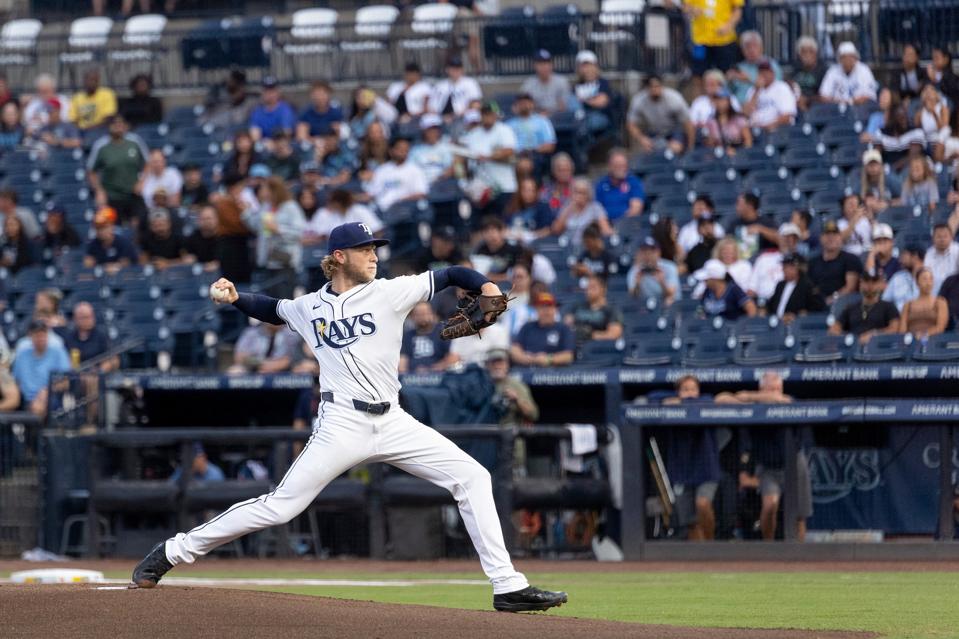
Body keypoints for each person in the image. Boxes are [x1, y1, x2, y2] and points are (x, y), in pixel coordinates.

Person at [132, 222, 567, 612]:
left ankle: (507, 586)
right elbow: (274, 308)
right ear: (339, 257)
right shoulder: (309, 307)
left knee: (473, 477)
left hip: (394, 421)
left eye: (375, 248)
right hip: (341, 424)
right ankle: (174, 551)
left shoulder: (390, 291)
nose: (375, 255)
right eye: (365, 249)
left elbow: (451, 275)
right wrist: (235, 298)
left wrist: (487, 285)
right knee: (281, 507)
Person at [716, 372, 813, 542]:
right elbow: (720, 400)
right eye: (771, 388)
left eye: (778, 388)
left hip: (793, 463)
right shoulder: (753, 405)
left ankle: (800, 554)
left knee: (799, 515)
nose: (775, 392)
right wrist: (752, 397)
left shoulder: (789, 401)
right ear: (762, 389)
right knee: (769, 505)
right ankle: (769, 548)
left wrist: (761, 397)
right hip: (768, 466)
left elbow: (785, 400)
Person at [660, 375, 721, 540]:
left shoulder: (705, 402)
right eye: (685, 389)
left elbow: (709, 400)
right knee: (689, 521)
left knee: (703, 503)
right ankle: (699, 557)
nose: (690, 393)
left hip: (706, 469)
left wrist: (682, 402)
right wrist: (674, 402)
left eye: (693, 389)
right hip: (681, 471)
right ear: (677, 392)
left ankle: (710, 546)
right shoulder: (671, 407)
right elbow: (652, 398)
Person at [243, 176, 306, 298]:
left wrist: (278, 229)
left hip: (284, 262)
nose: (262, 192)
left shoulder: (291, 207)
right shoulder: (266, 206)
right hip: (267, 261)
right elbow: (257, 226)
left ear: (274, 190)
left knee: (283, 300)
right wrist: (246, 213)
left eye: (264, 189)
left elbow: (298, 233)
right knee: (270, 302)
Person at [87, 115, 149, 225]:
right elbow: (91, 171)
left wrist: (142, 182)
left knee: (141, 224)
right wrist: (99, 191)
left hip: (133, 194)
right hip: (111, 195)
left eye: (121, 123)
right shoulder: (101, 146)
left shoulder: (135, 141)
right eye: (115, 124)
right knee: (113, 227)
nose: (118, 126)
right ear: (109, 127)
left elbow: (147, 163)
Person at [459, 102, 518, 217]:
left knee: (500, 222)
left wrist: (488, 157)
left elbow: (509, 151)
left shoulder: (504, 130)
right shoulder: (474, 134)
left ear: (496, 115)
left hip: (503, 186)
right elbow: (465, 155)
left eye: (490, 114)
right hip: (481, 188)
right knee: (483, 224)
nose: (487, 117)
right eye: (485, 114)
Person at [13, 320, 71, 417]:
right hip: (25, 399)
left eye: (43, 334)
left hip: (50, 397)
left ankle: (35, 431)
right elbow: (16, 380)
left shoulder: (58, 352)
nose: (40, 338)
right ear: (30, 336)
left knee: (39, 407)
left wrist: (47, 390)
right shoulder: (22, 354)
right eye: (37, 335)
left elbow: (66, 382)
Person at [670, 0, 742, 77]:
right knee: (698, 73)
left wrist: (729, 25)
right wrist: (692, 9)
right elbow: (685, 6)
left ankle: (724, 89)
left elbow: (738, 9)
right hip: (700, 39)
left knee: (726, 72)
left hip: (724, 39)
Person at [627, 74, 694, 154]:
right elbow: (631, 124)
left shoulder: (674, 98)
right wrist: (642, 139)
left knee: (675, 148)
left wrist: (690, 147)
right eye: (652, 86)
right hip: (653, 131)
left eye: (657, 86)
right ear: (646, 88)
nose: (655, 89)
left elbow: (688, 123)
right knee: (646, 150)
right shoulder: (639, 100)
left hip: (673, 130)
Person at [829, 270, 900, 342]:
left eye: (874, 281)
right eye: (866, 281)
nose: (870, 285)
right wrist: (849, 338)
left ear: (880, 284)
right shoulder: (851, 308)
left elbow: (895, 328)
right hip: (853, 348)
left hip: (878, 348)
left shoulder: (888, 307)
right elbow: (834, 329)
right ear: (860, 283)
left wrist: (874, 334)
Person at [210, 173, 254, 285]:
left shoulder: (241, 202)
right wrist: (247, 217)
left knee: (244, 279)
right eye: (240, 186)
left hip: (241, 243)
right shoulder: (223, 203)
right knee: (231, 280)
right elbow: (236, 225)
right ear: (232, 187)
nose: (242, 189)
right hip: (229, 244)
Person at [511, 292, 575, 368]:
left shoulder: (564, 329)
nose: (546, 311)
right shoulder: (527, 327)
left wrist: (548, 359)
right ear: (536, 309)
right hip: (528, 369)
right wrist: (529, 359)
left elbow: (568, 356)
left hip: (555, 373)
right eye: (542, 307)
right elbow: (514, 350)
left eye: (549, 306)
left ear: (555, 309)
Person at [365, 137, 429, 213]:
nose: (403, 151)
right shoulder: (382, 170)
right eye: (400, 148)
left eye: (406, 149)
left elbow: (421, 193)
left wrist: (398, 200)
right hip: (382, 210)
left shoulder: (415, 169)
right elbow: (372, 193)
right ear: (391, 151)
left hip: (405, 210)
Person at [807, 220, 863, 305]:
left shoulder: (851, 259)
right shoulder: (812, 262)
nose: (831, 238)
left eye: (835, 234)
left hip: (843, 305)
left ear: (840, 238)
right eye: (827, 234)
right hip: (817, 305)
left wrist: (833, 298)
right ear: (821, 238)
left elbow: (850, 288)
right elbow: (808, 287)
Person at [305, 189, 383, 244]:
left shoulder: (360, 210)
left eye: (331, 201)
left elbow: (378, 231)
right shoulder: (333, 215)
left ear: (339, 202)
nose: (329, 204)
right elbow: (326, 235)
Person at [564, 274, 623, 347]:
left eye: (593, 287)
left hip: (598, 348)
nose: (588, 291)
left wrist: (591, 335)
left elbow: (614, 334)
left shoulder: (611, 310)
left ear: (603, 289)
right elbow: (566, 327)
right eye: (587, 288)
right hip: (575, 346)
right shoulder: (577, 306)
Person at [399, 302, 459, 373]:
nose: (422, 317)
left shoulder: (444, 333)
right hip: (412, 376)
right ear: (412, 317)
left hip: (439, 377)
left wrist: (432, 369)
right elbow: (402, 362)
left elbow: (454, 358)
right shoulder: (407, 336)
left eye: (425, 313)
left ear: (433, 314)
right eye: (418, 314)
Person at [552, 177, 612, 248]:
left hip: (588, 247)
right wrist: (569, 209)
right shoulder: (567, 207)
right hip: (567, 247)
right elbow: (556, 230)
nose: (579, 196)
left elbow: (606, 230)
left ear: (589, 194)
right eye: (576, 192)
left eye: (583, 193)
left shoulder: (595, 207)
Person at [818, 42, 878, 112]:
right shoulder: (832, 71)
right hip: (836, 111)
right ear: (839, 59)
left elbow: (868, 96)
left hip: (860, 110)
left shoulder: (864, 70)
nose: (847, 60)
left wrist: (848, 102)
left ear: (856, 58)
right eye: (844, 57)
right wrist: (840, 102)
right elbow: (823, 96)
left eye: (850, 57)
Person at [764, 253, 825, 322]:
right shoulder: (780, 285)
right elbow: (771, 304)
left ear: (798, 268)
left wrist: (798, 315)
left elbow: (818, 306)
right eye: (784, 267)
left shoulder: (807, 286)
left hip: (796, 326)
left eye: (789, 267)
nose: (784, 270)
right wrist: (764, 309)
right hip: (776, 324)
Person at [727, 31, 782, 105]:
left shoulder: (770, 65)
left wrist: (748, 79)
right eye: (747, 47)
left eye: (755, 46)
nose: (751, 50)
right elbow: (729, 92)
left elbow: (775, 86)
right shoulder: (738, 68)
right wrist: (729, 81)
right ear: (742, 50)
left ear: (761, 48)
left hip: (764, 105)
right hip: (739, 107)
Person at [227, 320, 302, 374]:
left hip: (284, 371)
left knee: (302, 370)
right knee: (235, 371)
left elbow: (288, 360)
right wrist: (259, 364)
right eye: (268, 316)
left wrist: (269, 367)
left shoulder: (290, 334)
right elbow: (239, 358)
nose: (271, 320)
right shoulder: (251, 332)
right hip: (254, 369)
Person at [487, 349, 538, 426]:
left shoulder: (517, 386)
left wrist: (517, 400)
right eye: (494, 363)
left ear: (507, 365)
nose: (497, 366)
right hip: (485, 432)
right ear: (488, 365)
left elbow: (534, 415)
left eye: (500, 362)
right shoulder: (481, 385)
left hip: (510, 432)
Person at [743, 59, 797, 132]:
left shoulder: (782, 88)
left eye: (766, 72)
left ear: (773, 73)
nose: (764, 75)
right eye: (761, 72)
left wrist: (771, 125)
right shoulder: (753, 90)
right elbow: (746, 113)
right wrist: (757, 90)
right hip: (756, 130)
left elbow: (787, 116)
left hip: (778, 130)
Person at [63, 301, 117, 370]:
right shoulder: (69, 338)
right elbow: (64, 360)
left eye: (90, 317)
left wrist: (99, 372)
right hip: (75, 375)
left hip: (97, 376)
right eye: (84, 317)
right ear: (75, 319)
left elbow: (113, 359)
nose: (88, 320)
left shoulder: (102, 336)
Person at [628, 237, 680, 308]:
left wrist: (662, 282)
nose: (648, 254)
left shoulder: (669, 267)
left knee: (669, 301)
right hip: (645, 310)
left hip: (671, 308)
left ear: (658, 252)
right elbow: (633, 296)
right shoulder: (634, 271)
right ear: (639, 253)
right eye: (644, 251)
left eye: (652, 251)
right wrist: (638, 284)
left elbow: (671, 295)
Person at [83, 207, 139, 273]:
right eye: (98, 228)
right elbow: (88, 264)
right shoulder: (93, 245)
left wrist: (118, 266)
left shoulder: (123, 243)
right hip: (101, 281)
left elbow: (128, 263)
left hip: (124, 279)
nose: (101, 231)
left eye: (104, 227)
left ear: (111, 227)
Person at [594, 149, 645, 221]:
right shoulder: (601, 185)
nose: (623, 169)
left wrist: (620, 226)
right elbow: (597, 210)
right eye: (618, 166)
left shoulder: (633, 182)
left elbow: (636, 210)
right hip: (607, 225)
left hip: (628, 225)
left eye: (624, 165)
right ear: (609, 166)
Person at [898, 268, 948, 340]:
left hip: (933, 342)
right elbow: (902, 330)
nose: (928, 283)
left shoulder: (940, 302)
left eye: (931, 279)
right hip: (911, 343)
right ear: (917, 282)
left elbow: (940, 327)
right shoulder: (908, 305)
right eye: (924, 279)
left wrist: (924, 334)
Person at [573, 50, 613, 138]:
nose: (587, 69)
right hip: (579, 116)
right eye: (583, 66)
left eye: (589, 65)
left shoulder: (602, 83)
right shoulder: (576, 85)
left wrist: (583, 100)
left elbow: (601, 102)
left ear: (595, 66)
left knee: (589, 121)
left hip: (599, 116)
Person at [471, 216, 523, 283]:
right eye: (487, 232)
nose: (491, 235)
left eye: (493, 231)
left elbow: (518, 272)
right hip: (485, 284)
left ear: (501, 232)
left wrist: (494, 277)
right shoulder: (480, 250)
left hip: (508, 284)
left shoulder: (514, 250)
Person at [520, 49, 573, 115]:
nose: (544, 67)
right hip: (536, 118)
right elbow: (524, 107)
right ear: (535, 66)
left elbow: (564, 106)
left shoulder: (562, 81)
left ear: (551, 65)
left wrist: (548, 112)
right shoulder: (528, 84)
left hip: (558, 117)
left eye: (547, 63)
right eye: (540, 64)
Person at [728, 192, 779, 260]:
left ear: (750, 206)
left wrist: (760, 229)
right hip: (740, 263)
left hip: (763, 262)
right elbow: (726, 242)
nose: (736, 207)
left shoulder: (766, 222)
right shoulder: (734, 224)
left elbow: (779, 239)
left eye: (739, 204)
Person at [506, 93, 556, 161]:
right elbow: (505, 145)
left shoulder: (543, 121)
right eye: (521, 103)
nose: (524, 105)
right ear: (515, 106)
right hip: (515, 156)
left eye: (527, 102)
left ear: (532, 104)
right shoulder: (509, 124)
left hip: (537, 155)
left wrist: (532, 151)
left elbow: (550, 145)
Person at [503, 177, 555, 243]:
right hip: (511, 243)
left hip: (533, 247)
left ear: (536, 192)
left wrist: (527, 236)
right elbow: (503, 227)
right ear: (519, 192)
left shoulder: (543, 208)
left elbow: (546, 231)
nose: (528, 194)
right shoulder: (511, 206)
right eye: (525, 190)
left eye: (531, 190)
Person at [409, 114, 454, 185]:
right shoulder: (415, 150)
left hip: (441, 185)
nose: (433, 132)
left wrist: (438, 179)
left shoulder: (445, 148)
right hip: (421, 185)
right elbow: (411, 171)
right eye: (430, 129)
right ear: (423, 131)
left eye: (436, 129)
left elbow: (450, 168)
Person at [249, 77, 296, 143]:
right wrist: (264, 142)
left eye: (272, 91)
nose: (269, 94)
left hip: (281, 144)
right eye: (266, 91)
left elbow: (287, 133)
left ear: (278, 92)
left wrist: (273, 143)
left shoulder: (285, 110)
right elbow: (254, 135)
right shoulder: (257, 111)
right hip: (264, 145)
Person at [915, 83, 951, 163]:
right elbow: (916, 126)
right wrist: (923, 106)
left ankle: (938, 160)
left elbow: (944, 127)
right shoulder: (920, 112)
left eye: (931, 90)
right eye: (926, 91)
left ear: (936, 94)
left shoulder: (943, 108)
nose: (929, 93)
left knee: (946, 130)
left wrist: (934, 113)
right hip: (927, 139)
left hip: (940, 137)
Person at [884, 244, 924, 311]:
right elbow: (885, 302)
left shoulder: (930, 277)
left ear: (915, 256)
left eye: (904, 255)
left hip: (922, 318)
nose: (900, 260)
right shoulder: (897, 278)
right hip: (898, 318)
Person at [790, 36, 826, 111]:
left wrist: (808, 99)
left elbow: (824, 95)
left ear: (815, 53)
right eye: (804, 52)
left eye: (810, 51)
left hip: (816, 105)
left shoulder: (823, 70)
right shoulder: (796, 69)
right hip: (796, 102)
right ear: (799, 55)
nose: (807, 55)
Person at [924, 222, 959, 296]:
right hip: (935, 294)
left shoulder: (957, 250)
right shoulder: (929, 254)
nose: (942, 239)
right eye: (939, 236)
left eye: (945, 236)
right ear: (933, 238)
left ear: (951, 237)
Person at [184, 204, 220, 270]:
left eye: (209, 218)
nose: (206, 222)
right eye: (203, 219)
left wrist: (219, 264)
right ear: (198, 221)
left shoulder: (224, 238)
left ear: (217, 219)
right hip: (199, 274)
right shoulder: (193, 237)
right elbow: (188, 256)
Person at [837, 193, 872, 258]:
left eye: (856, 204)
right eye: (850, 204)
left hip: (866, 255)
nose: (854, 207)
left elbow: (875, 237)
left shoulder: (865, 221)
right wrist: (854, 220)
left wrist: (872, 220)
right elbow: (840, 240)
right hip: (848, 257)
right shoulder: (840, 224)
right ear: (843, 208)